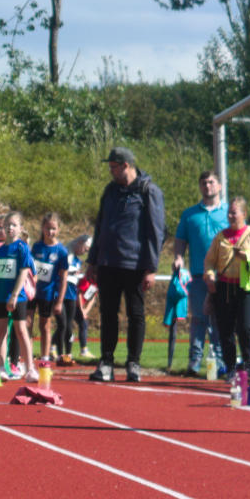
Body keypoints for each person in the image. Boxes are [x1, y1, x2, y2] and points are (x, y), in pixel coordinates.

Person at [87, 146, 165, 383]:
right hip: (108, 263)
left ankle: (134, 362)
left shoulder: (148, 191)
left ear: (126, 166)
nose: (111, 171)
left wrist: (151, 268)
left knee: (136, 314)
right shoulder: (110, 191)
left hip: (135, 264)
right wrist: (92, 261)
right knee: (108, 314)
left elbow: (156, 230)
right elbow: (100, 226)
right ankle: (107, 362)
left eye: (113, 167)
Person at [165, 170, 226, 376]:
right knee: (199, 318)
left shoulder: (228, 212)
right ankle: (194, 362)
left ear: (219, 186)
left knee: (220, 320)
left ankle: (221, 362)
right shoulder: (190, 214)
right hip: (199, 275)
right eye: (203, 183)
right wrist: (179, 257)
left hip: (224, 276)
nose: (207, 186)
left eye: (211, 182)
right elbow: (181, 239)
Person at [202, 196, 250, 375]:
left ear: (244, 214)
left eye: (234, 212)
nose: (231, 216)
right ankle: (231, 366)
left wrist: (248, 257)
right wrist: (209, 275)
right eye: (229, 213)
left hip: (247, 287)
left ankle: (248, 362)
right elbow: (209, 261)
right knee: (226, 329)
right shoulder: (220, 237)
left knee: (246, 326)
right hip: (225, 287)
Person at [0, 211, 35, 379]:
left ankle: (30, 368)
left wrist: (14, 295)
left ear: (20, 228)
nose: (10, 228)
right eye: (7, 225)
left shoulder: (22, 247)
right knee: (0, 331)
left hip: (17, 296)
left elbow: (24, 272)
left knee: (21, 330)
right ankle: (1, 367)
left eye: (14, 225)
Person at [30, 213, 71, 366]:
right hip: (33, 291)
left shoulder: (61, 251)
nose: (50, 232)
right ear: (42, 228)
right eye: (48, 228)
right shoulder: (37, 246)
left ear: (58, 230)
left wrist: (59, 301)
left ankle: (45, 356)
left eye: (53, 229)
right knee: (27, 323)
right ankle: (24, 356)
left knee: (44, 325)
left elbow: (64, 278)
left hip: (48, 293)